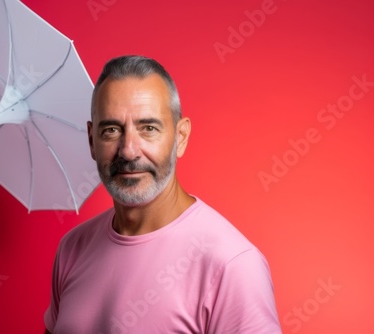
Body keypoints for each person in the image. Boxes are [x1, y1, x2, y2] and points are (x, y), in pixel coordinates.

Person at [44, 55, 281, 333]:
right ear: (91, 140)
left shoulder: (232, 265)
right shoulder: (72, 249)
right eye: (111, 130)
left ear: (180, 137)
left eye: (148, 129)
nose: (129, 150)